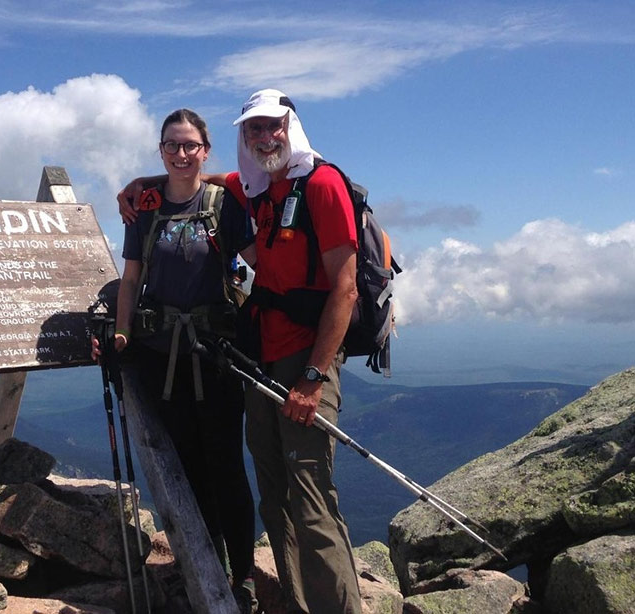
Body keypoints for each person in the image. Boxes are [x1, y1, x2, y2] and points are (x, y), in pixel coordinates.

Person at [118, 90, 361, 613]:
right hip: (260, 356)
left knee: (311, 500)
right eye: (253, 130)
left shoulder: (322, 184)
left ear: (290, 127)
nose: (263, 137)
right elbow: (193, 181)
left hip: (305, 359)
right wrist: (141, 185)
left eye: (273, 126)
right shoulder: (254, 188)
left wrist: (315, 377)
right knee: (274, 496)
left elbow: (346, 289)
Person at [96, 108, 258, 611]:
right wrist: (122, 334)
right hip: (162, 355)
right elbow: (130, 278)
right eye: (172, 145)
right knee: (190, 466)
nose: (182, 153)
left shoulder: (225, 203)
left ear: (205, 151)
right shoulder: (144, 205)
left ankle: (244, 575)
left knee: (226, 464)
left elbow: (261, 268)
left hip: (216, 356)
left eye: (190, 145)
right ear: (160, 151)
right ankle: (211, 568)